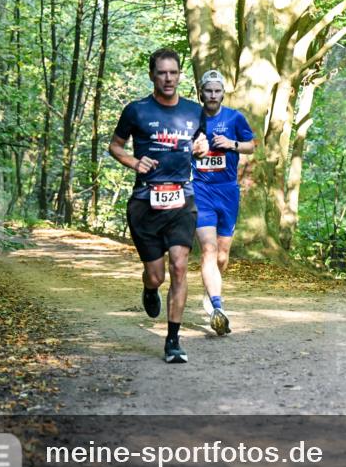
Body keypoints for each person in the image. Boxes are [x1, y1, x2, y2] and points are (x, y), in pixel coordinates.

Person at [108, 48, 209, 363]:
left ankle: (173, 341)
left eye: (173, 72)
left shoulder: (195, 111)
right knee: (157, 275)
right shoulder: (136, 111)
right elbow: (115, 146)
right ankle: (150, 289)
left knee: (179, 266)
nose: (168, 78)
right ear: (152, 75)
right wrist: (134, 162)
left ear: (180, 75)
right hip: (146, 202)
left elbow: (200, 147)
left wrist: (202, 148)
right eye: (162, 72)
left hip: (182, 199)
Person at [192, 69, 255, 336]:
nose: (213, 95)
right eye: (209, 91)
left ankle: (211, 288)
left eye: (217, 91)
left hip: (228, 191)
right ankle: (218, 306)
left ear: (222, 93)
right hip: (201, 190)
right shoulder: (190, 118)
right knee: (208, 249)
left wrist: (232, 144)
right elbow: (177, 149)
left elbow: (251, 145)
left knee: (221, 255)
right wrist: (194, 149)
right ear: (201, 92)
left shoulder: (234, 117)